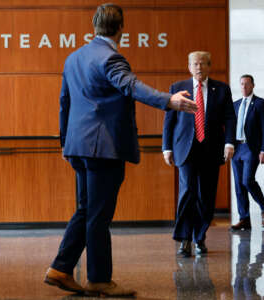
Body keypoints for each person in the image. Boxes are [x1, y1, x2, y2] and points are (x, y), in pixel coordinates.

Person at [44, 3, 198, 297]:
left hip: (78, 146)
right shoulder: (111, 58)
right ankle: (99, 279)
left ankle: (60, 269)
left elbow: (64, 102)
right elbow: (131, 86)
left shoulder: (74, 57)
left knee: (87, 210)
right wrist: (170, 101)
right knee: (99, 215)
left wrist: (66, 143)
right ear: (120, 29)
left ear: (95, 26)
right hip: (104, 147)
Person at [162, 51, 236, 257]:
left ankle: (199, 236)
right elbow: (170, 121)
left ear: (209, 66)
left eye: (203, 64)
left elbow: (229, 118)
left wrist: (229, 143)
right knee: (187, 192)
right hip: (186, 148)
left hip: (211, 148)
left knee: (207, 196)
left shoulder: (221, 89)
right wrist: (166, 147)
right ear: (189, 67)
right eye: (195, 64)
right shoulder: (178, 89)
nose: (199, 67)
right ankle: (185, 239)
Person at [229, 75, 264, 232]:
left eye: (247, 84)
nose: (244, 87)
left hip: (251, 148)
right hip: (236, 148)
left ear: (253, 85)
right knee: (239, 185)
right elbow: (229, 128)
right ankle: (244, 219)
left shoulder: (261, 104)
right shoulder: (235, 105)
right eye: (242, 84)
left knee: (247, 181)